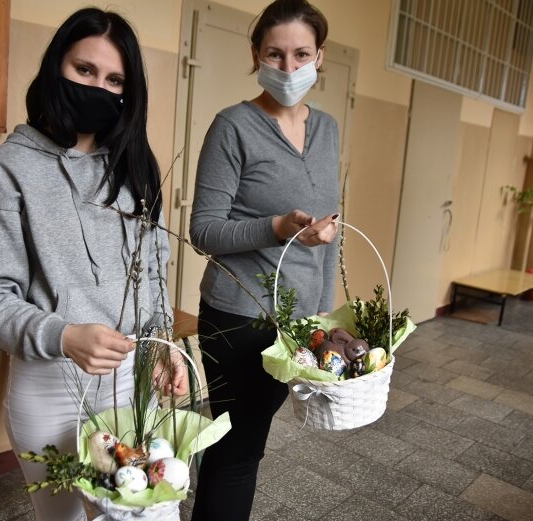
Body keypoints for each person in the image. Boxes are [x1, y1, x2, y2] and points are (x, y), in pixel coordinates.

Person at [0, 8, 187, 521]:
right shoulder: (9, 168)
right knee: (61, 518)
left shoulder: (135, 168)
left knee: (149, 515)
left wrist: (162, 346)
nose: (98, 87)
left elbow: (153, 274)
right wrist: (64, 336)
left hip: (131, 382)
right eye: (83, 70)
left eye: (115, 80)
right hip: (48, 386)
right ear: (54, 68)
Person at [189, 1, 340, 519]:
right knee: (239, 448)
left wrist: (322, 319)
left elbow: (331, 228)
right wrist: (276, 227)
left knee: (241, 447)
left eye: (301, 54)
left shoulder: (328, 130)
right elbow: (203, 231)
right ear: (256, 55)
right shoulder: (233, 126)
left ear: (320, 57)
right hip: (238, 315)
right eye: (275, 54)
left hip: (295, 320)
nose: (289, 67)